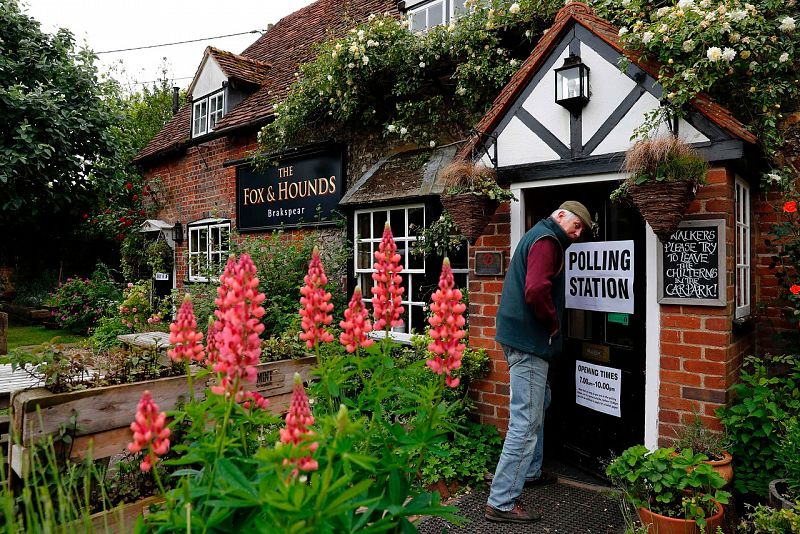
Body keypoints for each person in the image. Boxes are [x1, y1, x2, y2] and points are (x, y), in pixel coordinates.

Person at [484, 201, 592, 524]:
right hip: (530, 343)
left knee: (539, 401)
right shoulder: (548, 241)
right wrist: (553, 323)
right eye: (576, 226)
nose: (577, 233)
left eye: (582, 231)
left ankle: (529, 470)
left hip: (516, 337)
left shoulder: (539, 236)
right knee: (526, 422)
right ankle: (501, 501)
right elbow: (534, 291)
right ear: (560, 216)